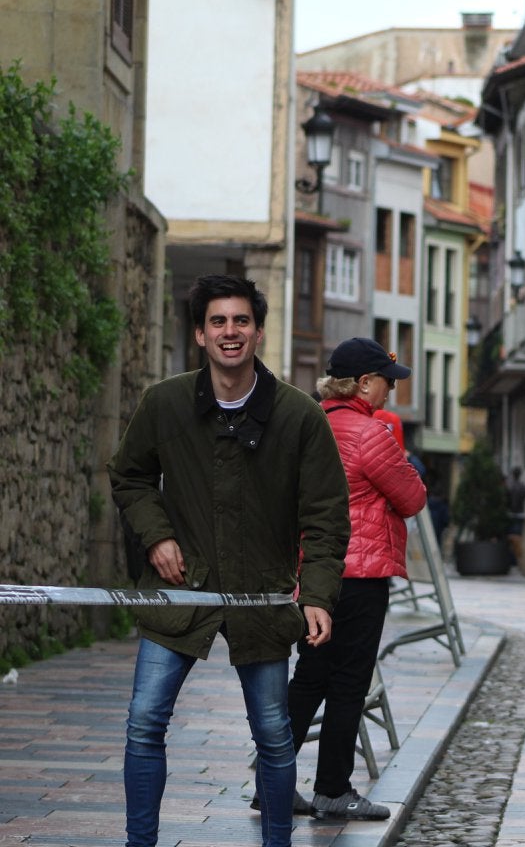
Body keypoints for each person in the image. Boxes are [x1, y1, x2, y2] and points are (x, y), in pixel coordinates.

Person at [108, 275, 350, 847]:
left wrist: (316, 594)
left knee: (273, 733)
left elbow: (326, 515)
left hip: (261, 595)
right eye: (218, 321)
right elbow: (130, 476)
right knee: (144, 723)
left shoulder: (299, 417)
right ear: (199, 333)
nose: (230, 332)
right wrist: (156, 537)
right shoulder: (164, 404)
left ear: (258, 331)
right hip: (179, 591)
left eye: (241, 320)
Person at [284, 338, 427, 821]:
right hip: (362, 576)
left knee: (308, 678)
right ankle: (332, 789)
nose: (391, 389)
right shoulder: (372, 434)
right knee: (348, 683)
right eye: (388, 380)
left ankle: (273, 782)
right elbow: (411, 498)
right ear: (364, 383)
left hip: (314, 575)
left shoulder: (311, 425)